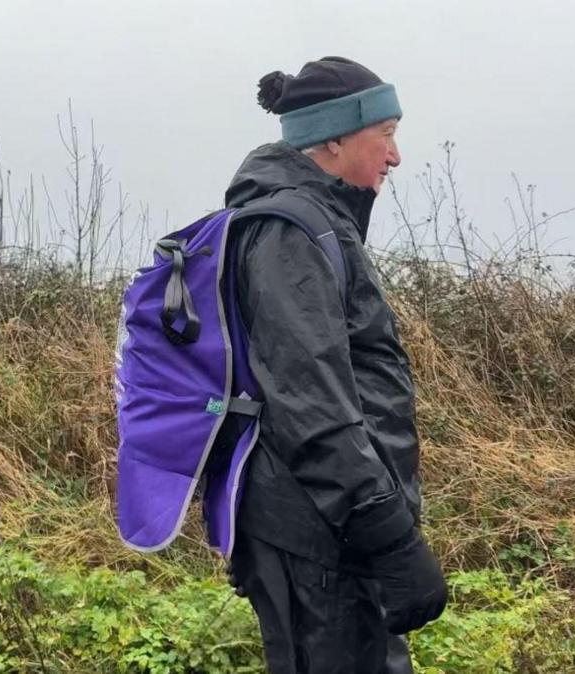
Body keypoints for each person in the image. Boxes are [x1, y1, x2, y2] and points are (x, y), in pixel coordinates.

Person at [224, 56, 447, 673]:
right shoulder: (292, 232)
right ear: (333, 137)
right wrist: (391, 537)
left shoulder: (319, 224)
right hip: (317, 535)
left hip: (337, 530)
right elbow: (310, 402)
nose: (396, 157)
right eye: (387, 134)